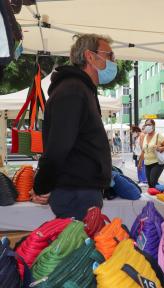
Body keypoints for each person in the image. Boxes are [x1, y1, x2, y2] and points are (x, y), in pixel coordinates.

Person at [32, 34, 116, 220]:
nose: (113, 61)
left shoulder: (82, 90)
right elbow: (58, 145)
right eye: (110, 55)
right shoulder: (73, 90)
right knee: (78, 247)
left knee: (81, 246)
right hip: (76, 193)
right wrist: (42, 185)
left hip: (81, 191)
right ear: (90, 56)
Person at [137, 119, 164, 188]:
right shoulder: (145, 136)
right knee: (150, 183)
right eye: (146, 125)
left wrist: (160, 148)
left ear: (153, 126)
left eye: (149, 125)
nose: (147, 126)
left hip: (157, 163)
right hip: (147, 163)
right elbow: (143, 151)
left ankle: (162, 191)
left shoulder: (158, 135)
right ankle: (158, 193)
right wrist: (140, 163)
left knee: (153, 182)